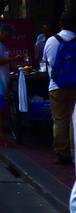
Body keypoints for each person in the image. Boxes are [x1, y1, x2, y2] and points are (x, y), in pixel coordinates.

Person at [42, 11, 76, 165]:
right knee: (73, 120)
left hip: (56, 86)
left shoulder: (51, 41)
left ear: (60, 24)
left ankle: (62, 153)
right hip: (75, 86)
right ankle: (74, 152)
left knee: (59, 120)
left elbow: (46, 62)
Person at [0, 24, 25, 147]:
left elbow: (5, 65)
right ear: (1, 32)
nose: (10, 38)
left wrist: (19, 67)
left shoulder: (0, 46)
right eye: (8, 35)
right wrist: (15, 58)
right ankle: (0, 136)